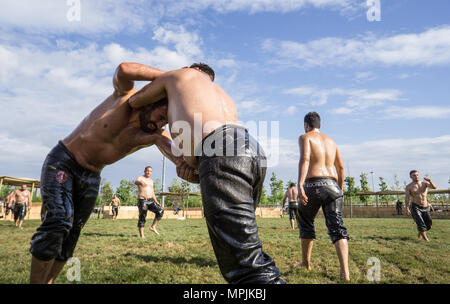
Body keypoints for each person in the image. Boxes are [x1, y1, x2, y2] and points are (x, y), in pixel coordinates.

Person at [29, 62, 198, 284]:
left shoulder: (154, 135)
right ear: (153, 103)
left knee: (72, 233)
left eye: (165, 122)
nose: (160, 124)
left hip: (91, 176)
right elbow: (124, 70)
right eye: (161, 116)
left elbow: (179, 158)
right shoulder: (125, 97)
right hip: (64, 163)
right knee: (59, 221)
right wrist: (171, 78)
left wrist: (189, 169)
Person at [128, 63, 284, 284]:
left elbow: (135, 101)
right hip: (253, 150)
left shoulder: (180, 76)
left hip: (222, 153)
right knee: (245, 248)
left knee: (247, 269)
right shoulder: (219, 95)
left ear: (193, 69)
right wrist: (196, 168)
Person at [294, 112, 350, 281]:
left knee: (305, 222)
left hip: (313, 184)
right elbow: (340, 168)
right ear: (320, 124)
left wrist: (300, 185)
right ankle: (345, 272)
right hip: (332, 185)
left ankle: (306, 263)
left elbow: (304, 160)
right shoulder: (331, 141)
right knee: (337, 227)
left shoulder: (305, 137)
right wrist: (339, 190)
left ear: (306, 124)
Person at [405, 171, 436, 241]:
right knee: (420, 223)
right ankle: (426, 240)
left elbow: (434, 187)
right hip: (415, 207)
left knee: (429, 225)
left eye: (417, 175)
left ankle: (420, 232)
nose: (416, 176)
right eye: (414, 175)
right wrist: (407, 208)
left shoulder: (424, 184)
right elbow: (407, 198)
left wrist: (430, 181)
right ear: (411, 177)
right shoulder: (409, 186)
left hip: (425, 206)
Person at [135, 166, 164, 237]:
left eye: (150, 171)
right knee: (142, 216)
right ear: (145, 171)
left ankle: (153, 226)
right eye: (147, 171)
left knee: (160, 210)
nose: (149, 172)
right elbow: (136, 182)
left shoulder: (151, 181)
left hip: (151, 200)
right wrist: (140, 182)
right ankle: (142, 235)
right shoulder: (141, 178)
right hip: (142, 200)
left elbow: (152, 192)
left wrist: (156, 201)